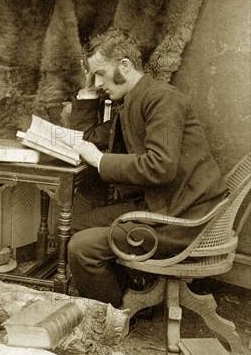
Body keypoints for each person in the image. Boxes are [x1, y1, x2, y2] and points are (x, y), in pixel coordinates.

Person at [67, 28, 228, 308]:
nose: (98, 82)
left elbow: (160, 166)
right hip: (163, 206)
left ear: (125, 66)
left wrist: (100, 160)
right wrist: (88, 91)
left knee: (82, 248)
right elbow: (89, 138)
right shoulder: (132, 100)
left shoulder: (161, 99)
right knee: (73, 225)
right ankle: (132, 299)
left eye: (101, 74)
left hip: (182, 219)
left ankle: (113, 316)